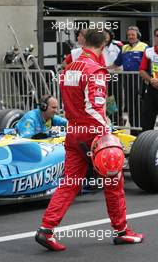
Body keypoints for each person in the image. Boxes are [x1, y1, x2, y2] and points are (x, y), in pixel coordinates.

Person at [35, 29, 144, 252]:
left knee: (70, 182)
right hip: (92, 132)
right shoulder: (95, 69)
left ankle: (46, 229)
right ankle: (122, 231)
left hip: (73, 131)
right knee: (113, 181)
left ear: (85, 43)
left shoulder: (69, 69)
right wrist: (107, 132)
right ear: (103, 46)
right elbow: (94, 107)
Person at [113, 26, 148, 135]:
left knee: (140, 106)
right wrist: (103, 68)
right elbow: (116, 64)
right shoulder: (124, 48)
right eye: (128, 35)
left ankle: (143, 131)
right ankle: (134, 132)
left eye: (132, 35)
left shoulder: (144, 47)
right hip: (128, 80)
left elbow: (149, 65)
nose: (130, 37)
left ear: (138, 35)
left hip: (140, 80)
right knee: (131, 107)